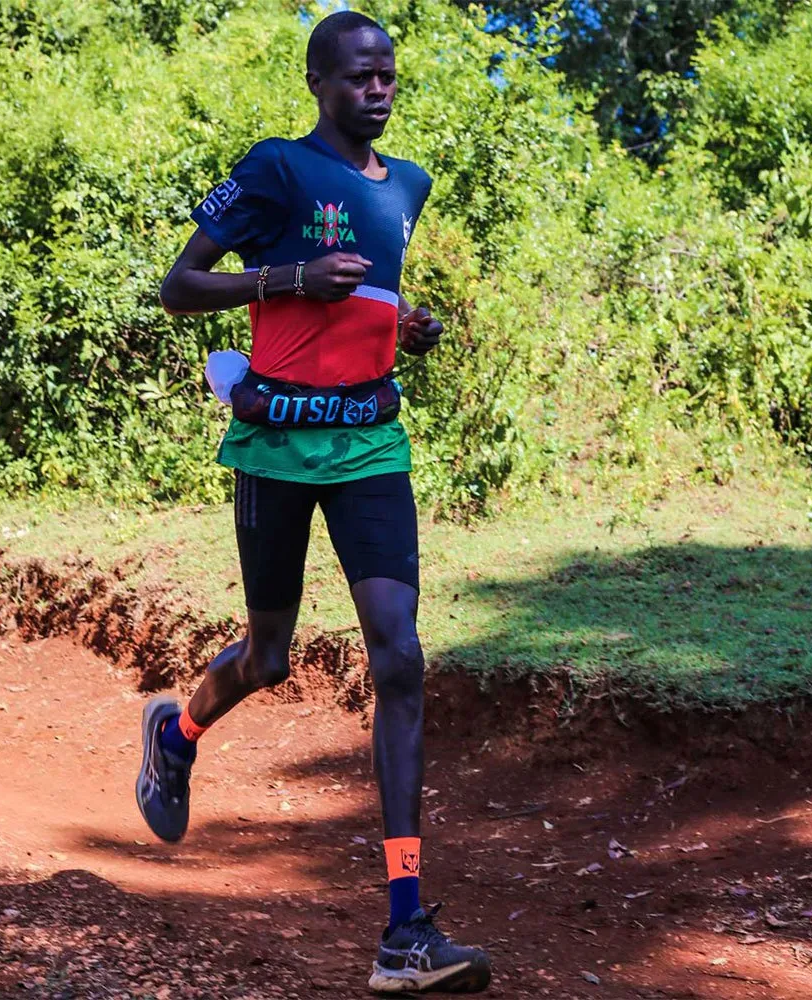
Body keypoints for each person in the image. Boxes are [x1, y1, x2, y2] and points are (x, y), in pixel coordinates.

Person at [138, 10, 491, 994]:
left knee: (400, 656)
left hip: (370, 440)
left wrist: (404, 322)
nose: (377, 89)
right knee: (268, 655)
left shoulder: (409, 184)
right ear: (318, 82)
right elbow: (179, 286)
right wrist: (292, 276)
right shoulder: (276, 169)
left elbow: (372, 294)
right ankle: (177, 733)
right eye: (359, 76)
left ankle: (405, 930)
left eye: (388, 75)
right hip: (278, 445)